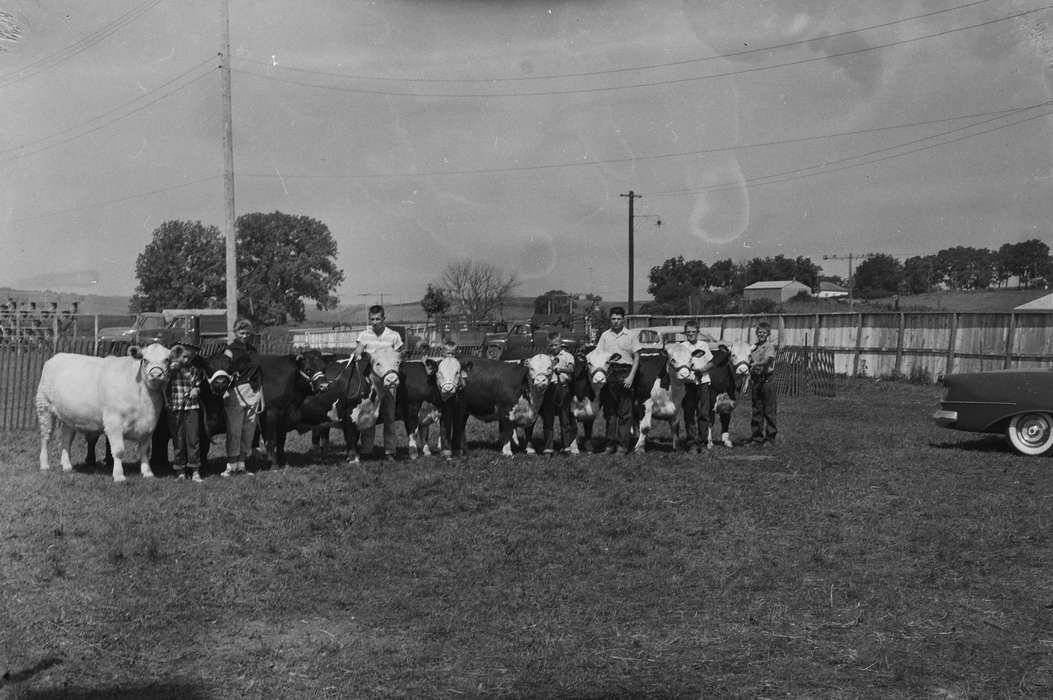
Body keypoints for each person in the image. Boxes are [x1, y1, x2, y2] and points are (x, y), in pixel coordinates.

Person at [353, 305, 404, 460]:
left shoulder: (393, 336)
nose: (374, 322)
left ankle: (390, 451)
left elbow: (401, 355)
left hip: (389, 384)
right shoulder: (364, 335)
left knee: (389, 417)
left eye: (378, 319)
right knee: (370, 416)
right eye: (372, 319)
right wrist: (359, 353)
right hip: (371, 385)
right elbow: (358, 351)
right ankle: (367, 450)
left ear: (384, 319)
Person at [594, 306, 638, 454]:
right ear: (610, 320)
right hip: (610, 374)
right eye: (613, 319)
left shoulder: (631, 335)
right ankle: (609, 445)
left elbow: (637, 357)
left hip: (626, 373)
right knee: (610, 413)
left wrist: (631, 376)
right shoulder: (605, 336)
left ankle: (622, 446)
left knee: (625, 413)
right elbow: (598, 354)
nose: (616, 322)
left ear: (623, 320)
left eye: (619, 319)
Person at [222, 318, 263, 476]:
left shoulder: (253, 351)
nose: (245, 335)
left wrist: (261, 398)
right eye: (241, 332)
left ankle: (241, 465)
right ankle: (230, 466)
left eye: (247, 332)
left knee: (248, 430)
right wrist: (225, 390)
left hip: (254, 392)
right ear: (235, 332)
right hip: (236, 393)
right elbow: (224, 372)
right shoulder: (230, 350)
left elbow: (259, 374)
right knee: (235, 430)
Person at [165, 336, 205, 482]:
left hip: (192, 407)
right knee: (178, 440)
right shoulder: (172, 369)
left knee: (193, 439)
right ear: (179, 354)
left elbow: (198, 384)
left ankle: (195, 470)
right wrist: (171, 371)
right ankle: (180, 470)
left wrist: (196, 390)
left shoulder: (194, 370)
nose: (187, 359)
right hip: (175, 407)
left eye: (190, 356)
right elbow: (164, 383)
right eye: (185, 356)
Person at [678, 320, 714, 454]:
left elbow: (711, 362)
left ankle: (703, 443)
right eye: (688, 332)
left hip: (703, 382)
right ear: (685, 333)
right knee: (689, 414)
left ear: (698, 332)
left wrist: (702, 369)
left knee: (704, 413)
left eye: (693, 332)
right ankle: (692, 443)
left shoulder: (703, 345)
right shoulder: (681, 346)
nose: (691, 334)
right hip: (688, 385)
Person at [547, 330, 578, 454]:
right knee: (548, 419)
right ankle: (548, 446)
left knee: (564, 418)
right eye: (551, 345)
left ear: (560, 344)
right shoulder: (547, 357)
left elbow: (571, 369)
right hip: (550, 389)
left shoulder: (567, 356)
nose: (554, 347)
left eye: (556, 345)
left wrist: (562, 369)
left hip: (563, 388)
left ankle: (566, 445)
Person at [749, 321, 779, 445]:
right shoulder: (753, 347)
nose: (761, 334)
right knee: (757, 410)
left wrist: (756, 364)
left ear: (768, 334)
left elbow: (767, 360)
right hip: (756, 380)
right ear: (756, 333)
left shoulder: (769, 346)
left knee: (769, 410)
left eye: (764, 333)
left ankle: (770, 438)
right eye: (759, 332)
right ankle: (757, 438)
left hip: (767, 380)